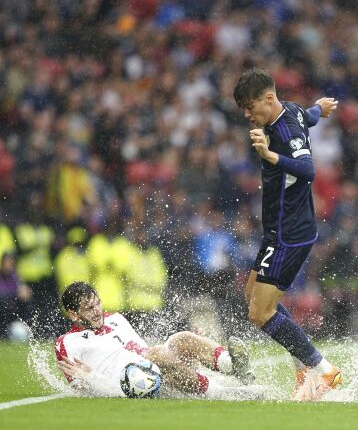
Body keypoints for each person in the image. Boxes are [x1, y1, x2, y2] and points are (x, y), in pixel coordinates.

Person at [233, 68, 341, 401]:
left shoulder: (285, 131)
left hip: (290, 232)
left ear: (268, 98)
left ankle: (324, 371)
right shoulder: (291, 110)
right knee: (254, 298)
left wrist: (270, 156)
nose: (248, 115)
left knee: (260, 313)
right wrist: (319, 110)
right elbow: (305, 116)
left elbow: (308, 170)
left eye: (251, 107)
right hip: (278, 230)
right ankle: (304, 367)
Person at [55, 282, 260, 399]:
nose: (97, 311)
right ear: (73, 315)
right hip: (132, 383)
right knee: (156, 355)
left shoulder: (116, 319)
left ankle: (232, 365)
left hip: (156, 364)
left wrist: (185, 353)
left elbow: (139, 348)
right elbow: (80, 387)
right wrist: (91, 380)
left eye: (98, 303)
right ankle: (224, 394)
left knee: (182, 338)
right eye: (89, 308)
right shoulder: (68, 342)